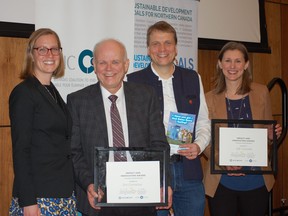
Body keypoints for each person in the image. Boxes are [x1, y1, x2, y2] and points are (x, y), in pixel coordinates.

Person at [67, 38, 172, 216]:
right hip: (99, 198)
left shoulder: (146, 96)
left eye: (115, 62)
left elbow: (159, 144)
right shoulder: (78, 101)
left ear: (126, 65)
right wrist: (89, 184)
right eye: (102, 62)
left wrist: (163, 182)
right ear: (93, 65)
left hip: (141, 195)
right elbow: (74, 152)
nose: (109, 68)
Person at [127, 21, 211, 216]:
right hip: (152, 173)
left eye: (168, 43)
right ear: (148, 49)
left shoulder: (193, 77)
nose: (162, 49)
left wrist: (198, 145)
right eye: (156, 43)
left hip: (189, 170)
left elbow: (204, 122)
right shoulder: (132, 82)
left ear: (175, 48)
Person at [204, 41, 282, 216]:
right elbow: (205, 141)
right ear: (220, 64)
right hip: (221, 181)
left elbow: (267, 131)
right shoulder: (208, 98)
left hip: (256, 180)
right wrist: (223, 162)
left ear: (246, 64)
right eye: (228, 60)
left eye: (238, 61)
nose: (233, 66)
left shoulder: (262, 92)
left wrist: (271, 135)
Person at [8, 28, 76, 215]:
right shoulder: (24, 93)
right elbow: (21, 150)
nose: (50, 54)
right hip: (39, 198)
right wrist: (28, 201)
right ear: (31, 53)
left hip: (62, 194)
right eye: (42, 49)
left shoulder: (52, 91)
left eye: (55, 49)